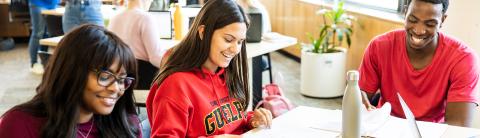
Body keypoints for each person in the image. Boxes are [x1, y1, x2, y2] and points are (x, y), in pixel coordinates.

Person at [146, 0, 273, 137]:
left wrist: (251, 120)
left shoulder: (227, 74)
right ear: (202, 32)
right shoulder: (176, 85)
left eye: (240, 41)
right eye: (228, 39)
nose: (236, 49)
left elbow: (231, 122)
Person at [0, 24, 142, 137]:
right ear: (72, 71)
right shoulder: (20, 125)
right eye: (105, 76)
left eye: (122, 79)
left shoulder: (127, 126)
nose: (116, 88)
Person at [359, 0, 479, 127]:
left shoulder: (463, 59)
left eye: (430, 24)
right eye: (413, 20)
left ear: (442, 20)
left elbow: (458, 126)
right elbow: (358, 100)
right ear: (405, 12)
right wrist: (357, 99)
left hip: (433, 134)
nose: (419, 30)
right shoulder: (379, 46)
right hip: (384, 128)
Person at [108, 0, 168, 89]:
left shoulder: (114, 18)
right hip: (141, 78)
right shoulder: (145, 18)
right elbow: (156, 57)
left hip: (119, 77)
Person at [27, 0, 60, 74]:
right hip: (38, 3)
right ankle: (33, 63)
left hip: (52, 4)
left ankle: (44, 61)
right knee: (38, 33)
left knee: (47, 34)